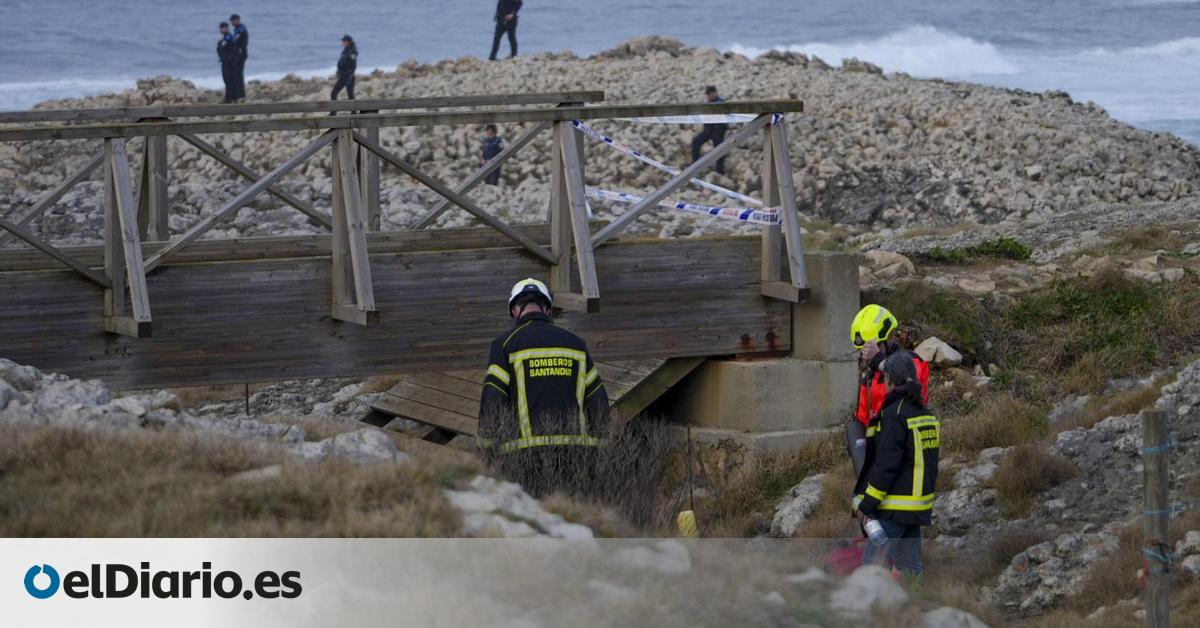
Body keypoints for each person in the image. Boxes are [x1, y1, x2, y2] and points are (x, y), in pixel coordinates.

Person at [478, 278, 609, 497]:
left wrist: (485, 449)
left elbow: (492, 399)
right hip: (576, 454)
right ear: (547, 309)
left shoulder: (505, 344)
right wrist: (600, 449)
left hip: (523, 457)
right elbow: (598, 401)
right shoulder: (576, 344)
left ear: (515, 310)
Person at [852, 352, 940, 576]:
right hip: (918, 508)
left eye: (885, 378)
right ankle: (913, 606)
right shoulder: (924, 412)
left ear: (890, 379)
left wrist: (868, 503)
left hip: (895, 508)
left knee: (872, 567)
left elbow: (886, 465)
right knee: (910, 568)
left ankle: (868, 610)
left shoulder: (894, 414)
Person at [846, 304, 931, 476]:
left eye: (869, 347)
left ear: (884, 340)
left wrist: (879, 359)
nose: (865, 354)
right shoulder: (869, 371)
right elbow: (863, 415)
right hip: (879, 450)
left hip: (905, 447)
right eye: (862, 350)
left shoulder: (912, 361)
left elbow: (910, 390)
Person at [691, 85, 729, 175]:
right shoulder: (706, 103)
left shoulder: (722, 103)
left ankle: (720, 171)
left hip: (718, 130)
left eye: (709, 93)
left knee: (719, 149)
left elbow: (727, 120)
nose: (707, 95)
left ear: (715, 93)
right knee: (696, 142)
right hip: (708, 130)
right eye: (707, 94)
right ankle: (694, 166)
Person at [216, 22, 239, 104]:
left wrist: (228, 58)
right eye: (221, 28)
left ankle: (230, 98)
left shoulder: (229, 38)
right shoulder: (225, 38)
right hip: (226, 61)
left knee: (229, 80)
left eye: (224, 27)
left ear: (227, 28)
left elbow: (233, 50)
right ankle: (231, 97)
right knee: (227, 80)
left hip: (230, 63)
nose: (222, 29)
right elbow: (220, 49)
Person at [331, 35, 358, 101]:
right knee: (335, 94)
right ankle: (334, 111)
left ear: (348, 42)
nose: (342, 43)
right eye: (342, 41)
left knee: (335, 94)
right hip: (342, 75)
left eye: (344, 41)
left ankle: (334, 111)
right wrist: (338, 71)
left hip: (348, 76)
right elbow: (342, 62)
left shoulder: (352, 52)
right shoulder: (345, 50)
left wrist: (350, 75)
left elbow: (353, 65)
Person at [229, 14, 249, 102]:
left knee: (238, 74)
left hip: (241, 54)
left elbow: (236, 40)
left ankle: (240, 95)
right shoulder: (237, 29)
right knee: (237, 74)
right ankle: (238, 94)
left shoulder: (241, 29)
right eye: (231, 21)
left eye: (233, 20)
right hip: (238, 54)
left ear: (237, 20)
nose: (232, 22)